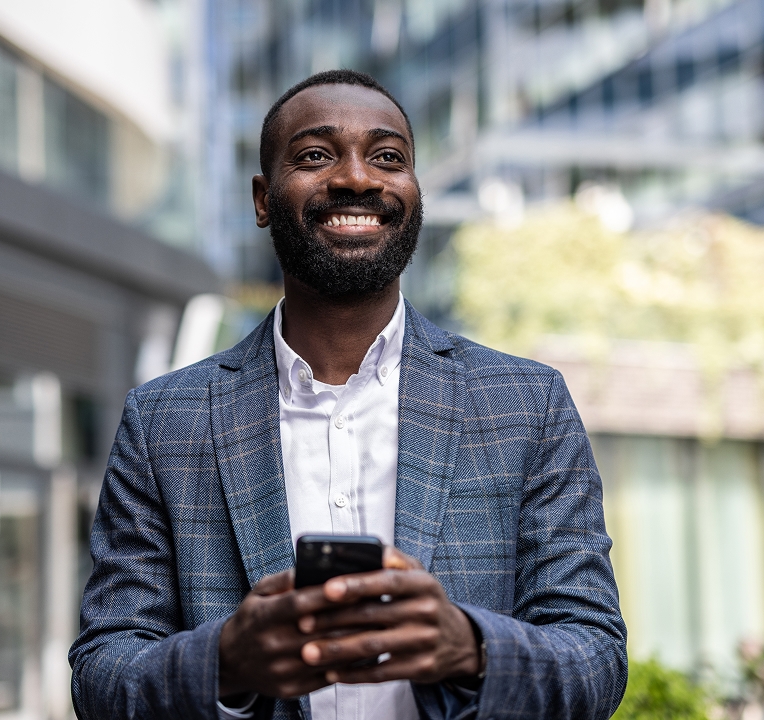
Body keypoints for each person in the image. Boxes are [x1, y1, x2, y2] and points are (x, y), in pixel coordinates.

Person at [69, 69, 627, 720]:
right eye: (315, 155)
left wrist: (470, 647)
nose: (358, 178)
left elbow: (596, 657)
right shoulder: (162, 423)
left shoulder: (528, 406)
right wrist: (226, 660)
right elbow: (103, 677)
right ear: (261, 198)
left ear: (413, 193)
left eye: (387, 157)